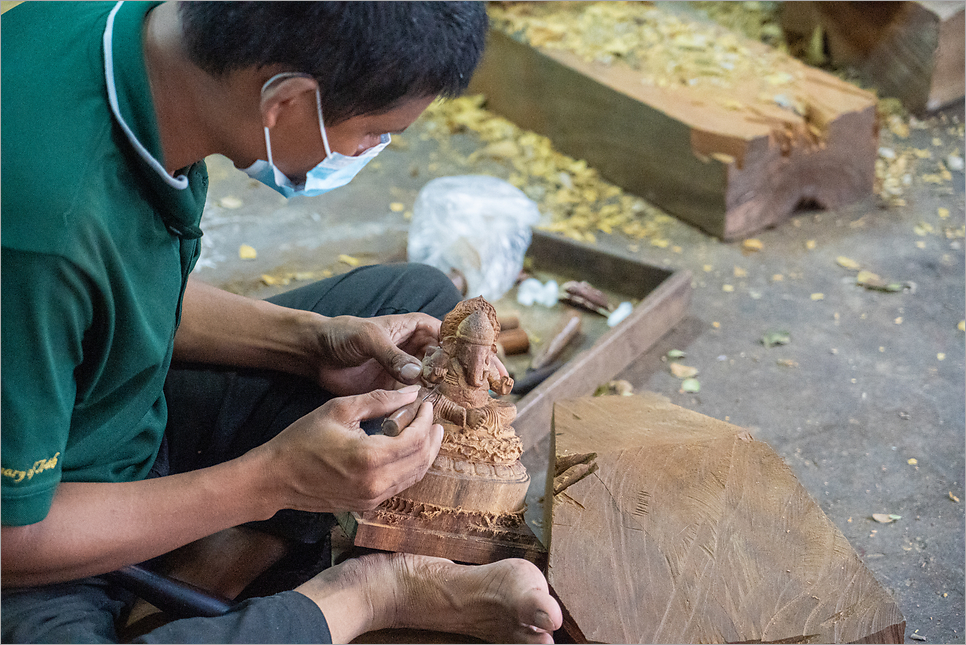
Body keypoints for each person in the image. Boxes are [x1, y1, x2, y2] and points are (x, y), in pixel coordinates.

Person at [0, 2, 563, 643]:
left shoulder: (138, 44)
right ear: (286, 101)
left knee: (416, 296)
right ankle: (367, 595)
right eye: (376, 132)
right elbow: (12, 538)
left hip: (107, 415)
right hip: (36, 530)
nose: (370, 150)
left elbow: (120, 287)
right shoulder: (38, 230)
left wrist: (306, 343)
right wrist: (271, 480)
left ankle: (200, 574)